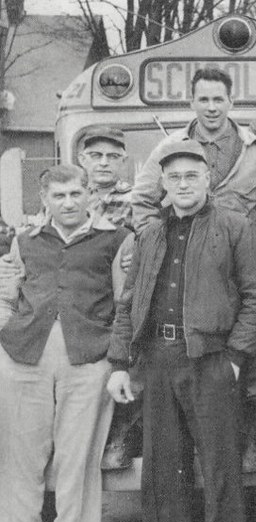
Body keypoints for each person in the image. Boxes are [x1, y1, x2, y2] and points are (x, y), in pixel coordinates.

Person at [107, 141, 256, 522]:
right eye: (174, 177)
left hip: (211, 359)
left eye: (191, 175)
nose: (183, 184)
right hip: (158, 359)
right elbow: (129, 303)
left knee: (221, 468)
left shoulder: (237, 228)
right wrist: (120, 364)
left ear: (207, 180)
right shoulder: (149, 235)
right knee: (163, 468)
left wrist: (235, 357)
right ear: (163, 183)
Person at [131, 66, 256, 473]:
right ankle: (151, 428)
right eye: (203, 99)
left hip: (241, 261)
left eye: (218, 99)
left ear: (230, 102)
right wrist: (158, 246)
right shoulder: (170, 148)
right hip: (186, 261)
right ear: (192, 102)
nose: (211, 107)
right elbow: (142, 203)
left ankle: (252, 429)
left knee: (249, 343)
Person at [0, 165, 131, 522]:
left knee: (77, 463)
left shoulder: (116, 238)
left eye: (76, 193)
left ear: (90, 194)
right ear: (45, 199)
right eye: (59, 196)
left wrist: (116, 361)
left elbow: (125, 303)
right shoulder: (25, 240)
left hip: (88, 360)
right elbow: (6, 292)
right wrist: (4, 332)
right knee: (21, 462)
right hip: (25, 358)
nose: (69, 202)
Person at [71, 125, 142, 472]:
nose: (103, 163)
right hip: (80, 297)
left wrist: (135, 253)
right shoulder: (70, 195)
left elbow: (150, 238)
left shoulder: (136, 200)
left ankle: (120, 438)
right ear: (81, 158)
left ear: (123, 161)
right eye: (95, 155)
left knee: (127, 361)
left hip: (117, 298)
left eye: (112, 156)